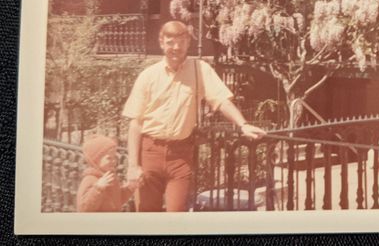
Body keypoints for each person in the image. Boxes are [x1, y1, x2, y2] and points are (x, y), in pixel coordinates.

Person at [122, 21, 266, 212]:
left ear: (188, 42)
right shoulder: (148, 76)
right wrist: (133, 166)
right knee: (147, 216)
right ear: (161, 42)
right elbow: (135, 123)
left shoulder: (200, 70)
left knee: (177, 215)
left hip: (181, 156)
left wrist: (242, 124)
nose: (176, 47)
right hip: (150, 152)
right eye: (170, 42)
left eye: (181, 41)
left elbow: (221, 100)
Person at [76, 135, 135, 212]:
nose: (114, 161)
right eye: (109, 158)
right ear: (96, 159)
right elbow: (83, 208)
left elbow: (117, 201)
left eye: (114, 157)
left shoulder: (110, 177)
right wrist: (98, 188)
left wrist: (130, 188)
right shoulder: (90, 179)